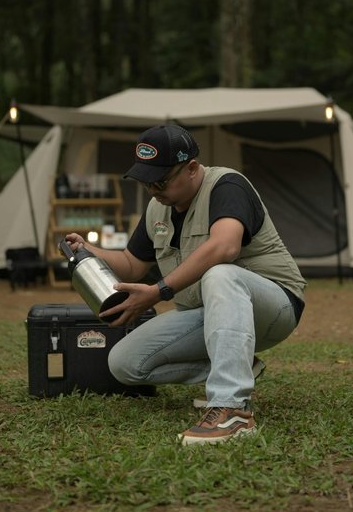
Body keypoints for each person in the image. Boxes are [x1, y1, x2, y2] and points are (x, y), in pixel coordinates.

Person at [65, 123, 306, 445]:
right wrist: (89, 250)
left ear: (192, 168)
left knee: (221, 273)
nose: (153, 189)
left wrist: (159, 291)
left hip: (273, 306)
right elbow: (133, 265)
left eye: (161, 180)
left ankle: (232, 410)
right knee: (124, 364)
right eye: (146, 180)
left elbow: (225, 247)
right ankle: (235, 362)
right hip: (213, 314)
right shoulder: (158, 207)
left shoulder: (227, 185)